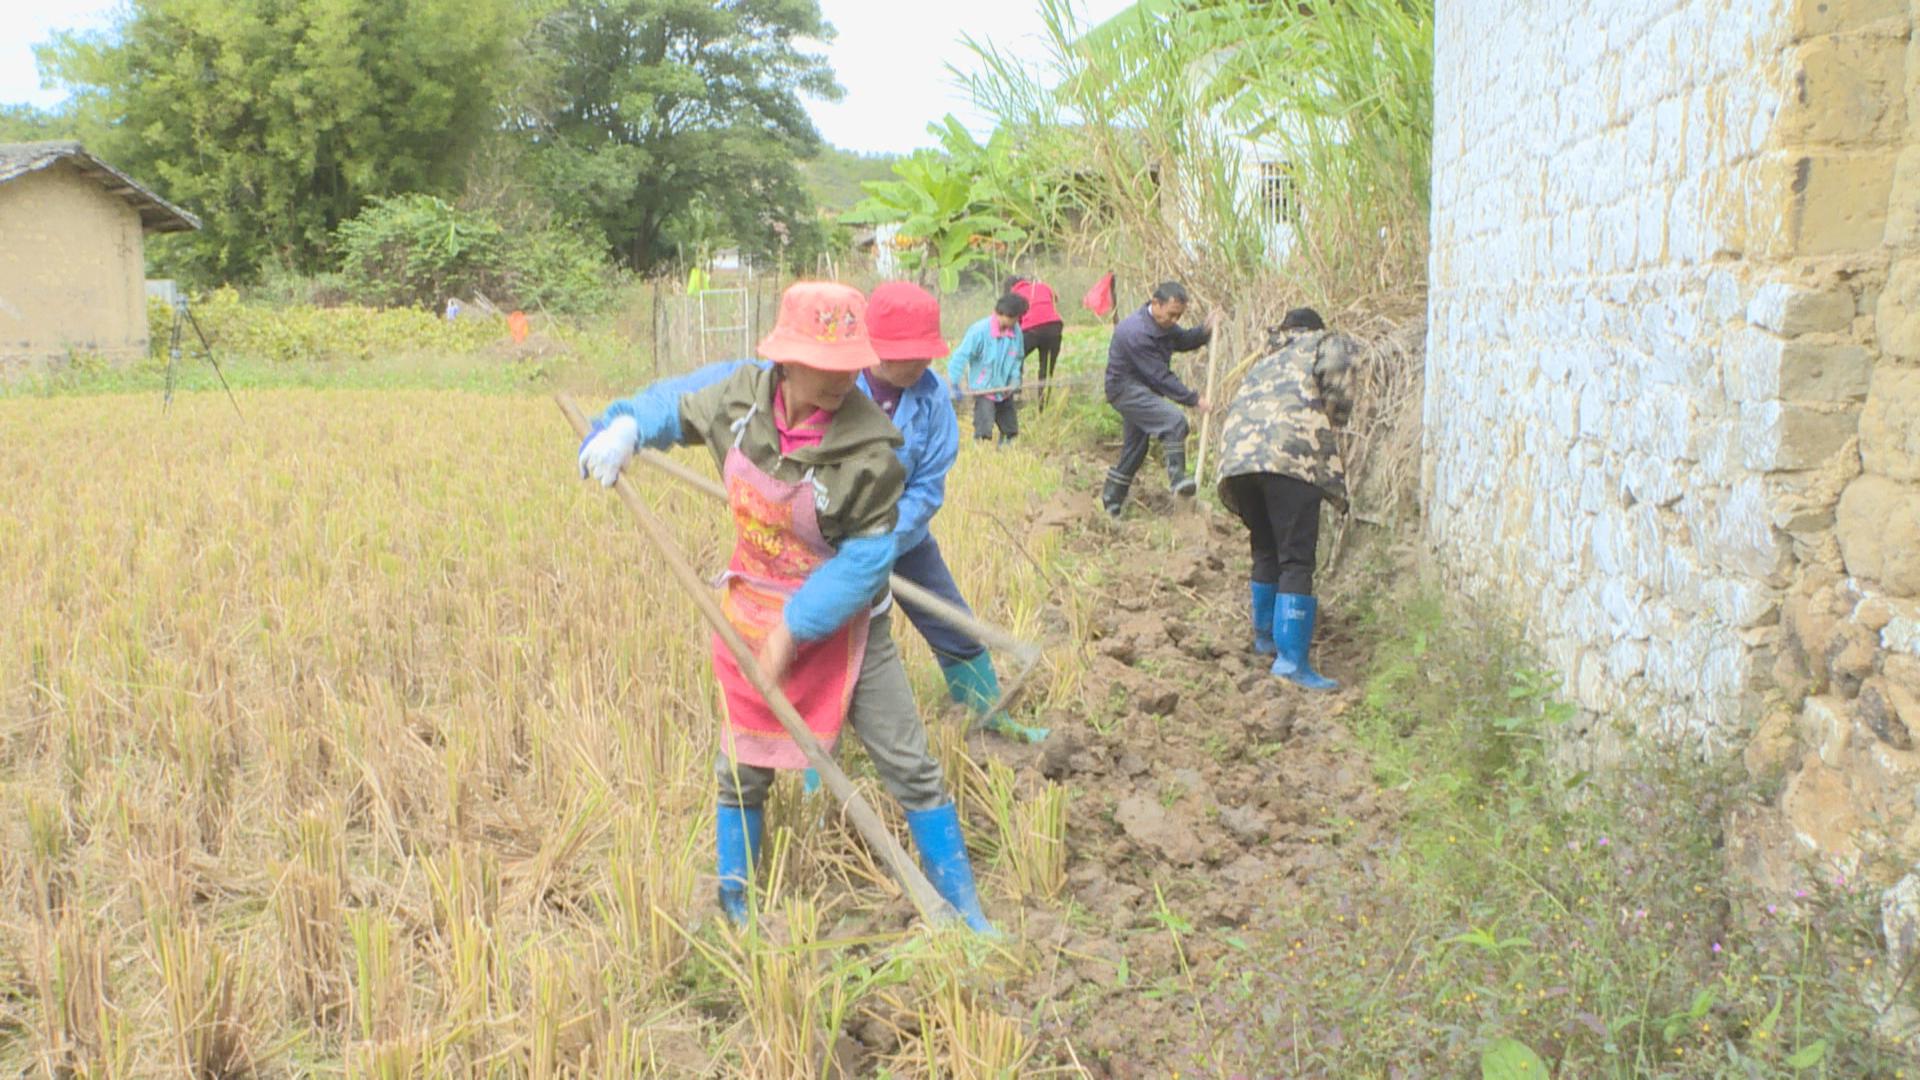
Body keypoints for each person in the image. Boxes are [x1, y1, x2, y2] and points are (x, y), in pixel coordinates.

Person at [576, 281, 996, 933]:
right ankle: (736, 911)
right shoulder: (741, 400)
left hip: (847, 622)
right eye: (822, 366)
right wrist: (627, 426)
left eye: (849, 366)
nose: (838, 381)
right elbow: (678, 405)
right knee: (741, 769)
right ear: (786, 358)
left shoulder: (870, 448)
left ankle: (967, 916)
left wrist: (796, 630)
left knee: (908, 763)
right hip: (752, 608)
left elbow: (864, 564)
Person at [1214, 307, 1355, 692]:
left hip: (1240, 463)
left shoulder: (1268, 356)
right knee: (1296, 559)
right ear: (1314, 329)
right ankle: (1291, 662)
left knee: (1265, 549)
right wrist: (1335, 419)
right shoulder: (1324, 343)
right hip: (1291, 459)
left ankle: (1265, 640)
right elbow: (1338, 392)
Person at [1101, 281, 1219, 518]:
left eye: (1179, 316)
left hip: (1144, 390)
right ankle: (1178, 479)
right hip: (1125, 389)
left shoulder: (1163, 325)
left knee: (1136, 448)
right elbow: (1159, 376)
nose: (1174, 320)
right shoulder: (1136, 332)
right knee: (1174, 421)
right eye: (1172, 314)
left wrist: (1205, 331)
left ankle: (1111, 501)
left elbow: (1183, 340)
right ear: (1156, 303)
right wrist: (1194, 399)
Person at [949, 292, 1029, 444]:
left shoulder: (1016, 332)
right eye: (1017, 317)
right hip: (984, 389)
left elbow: (1017, 358)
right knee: (984, 429)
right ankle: (981, 451)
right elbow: (960, 356)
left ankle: (1006, 451)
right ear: (1006, 315)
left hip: (1004, 390)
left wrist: (1014, 380)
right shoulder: (979, 331)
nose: (1018, 321)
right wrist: (955, 382)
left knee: (1010, 429)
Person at [1007, 275, 1065, 409]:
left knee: (1015, 359)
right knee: (1046, 369)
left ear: (1011, 287)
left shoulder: (1015, 293)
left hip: (1032, 329)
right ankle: (1043, 406)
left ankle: (1016, 395)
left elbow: (1014, 320)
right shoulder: (1042, 286)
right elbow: (1056, 298)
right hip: (1054, 327)